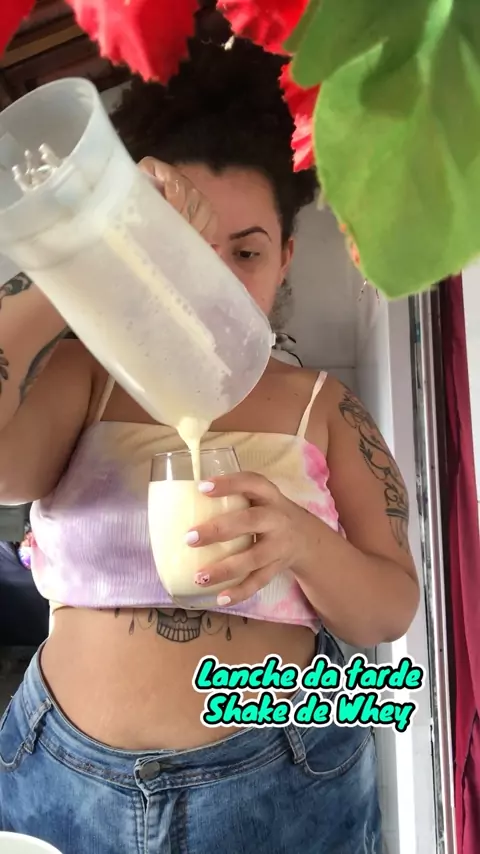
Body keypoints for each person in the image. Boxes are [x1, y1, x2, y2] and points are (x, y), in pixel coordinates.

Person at [0, 38, 419, 853]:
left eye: (247, 251)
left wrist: (302, 542)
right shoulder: (88, 377)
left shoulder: (324, 409)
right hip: (63, 785)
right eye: (183, 247)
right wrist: (79, 250)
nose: (214, 278)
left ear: (286, 259)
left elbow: (389, 609)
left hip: (280, 786)